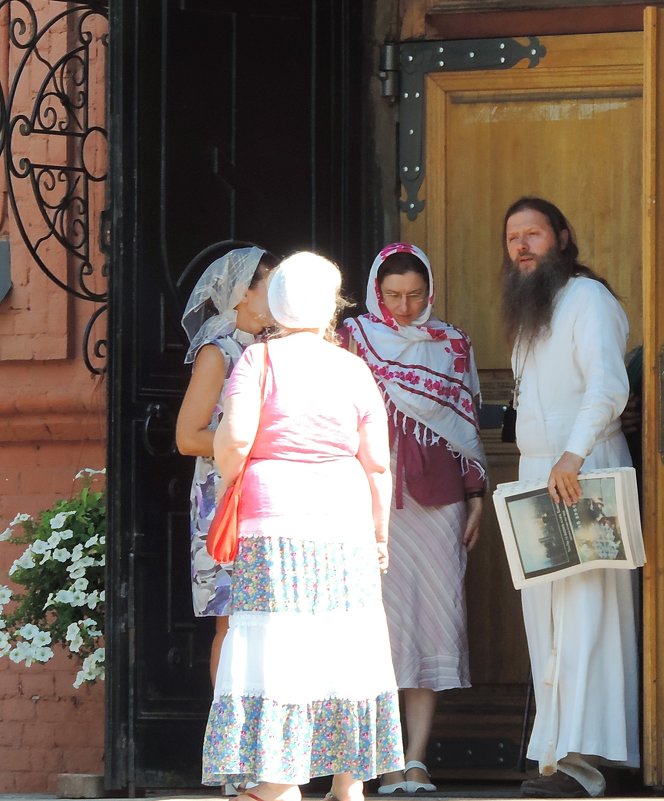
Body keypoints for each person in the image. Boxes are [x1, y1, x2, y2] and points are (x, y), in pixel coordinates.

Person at [201, 252, 403, 801]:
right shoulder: (354, 368)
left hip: (274, 521)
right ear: (328, 306)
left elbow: (235, 441)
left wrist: (226, 473)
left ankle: (277, 780)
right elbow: (378, 465)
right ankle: (349, 780)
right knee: (345, 639)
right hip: (345, 520)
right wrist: (379, 535)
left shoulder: (257, 362)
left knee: (280, 643)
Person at [501, 197, 639, 799]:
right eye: (513, 238)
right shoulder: (533, 311)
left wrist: (573, 454)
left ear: (562, 235)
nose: (523, 246)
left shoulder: (588, 299)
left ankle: (589, 759)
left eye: (534, 234)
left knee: (586, 615)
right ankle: (556, 755)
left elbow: (608, 385)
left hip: (584, 471)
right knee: (545, 622)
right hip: (539, 475)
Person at [342, 242, 487, 795]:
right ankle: (379, 757)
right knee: (376, 628)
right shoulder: (353, 338)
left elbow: (466, 422)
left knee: (432, 624)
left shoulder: (451, 344)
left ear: (430, 293)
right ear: (376, 291)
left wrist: (475, 495)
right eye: (392, 295)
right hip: (367, 502)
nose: (402, 308)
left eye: (414, 295)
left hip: (438, 501)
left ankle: (416, 759)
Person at [176, 246, 277, 691]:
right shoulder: (218, 353)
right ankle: (226, 745)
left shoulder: (276, 349)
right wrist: (248, 448)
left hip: (270, 499)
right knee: (232, 623)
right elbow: (187, 436)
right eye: (270, 289)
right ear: (241, 295)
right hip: (225, 502)